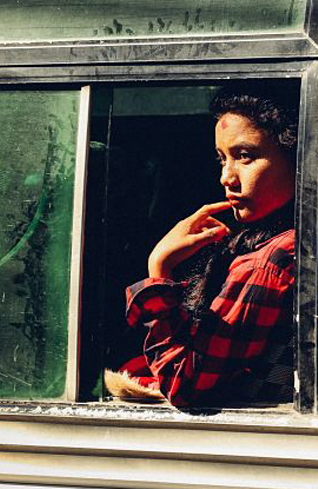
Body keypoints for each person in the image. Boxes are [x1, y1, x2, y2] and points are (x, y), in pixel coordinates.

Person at [105, 83, 298, 408]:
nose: (227, 177)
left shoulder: (270, 262)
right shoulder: (272, 245)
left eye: (245, 156)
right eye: (222, 159)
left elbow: (185, 387)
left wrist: (159, 268)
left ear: (297, 156)